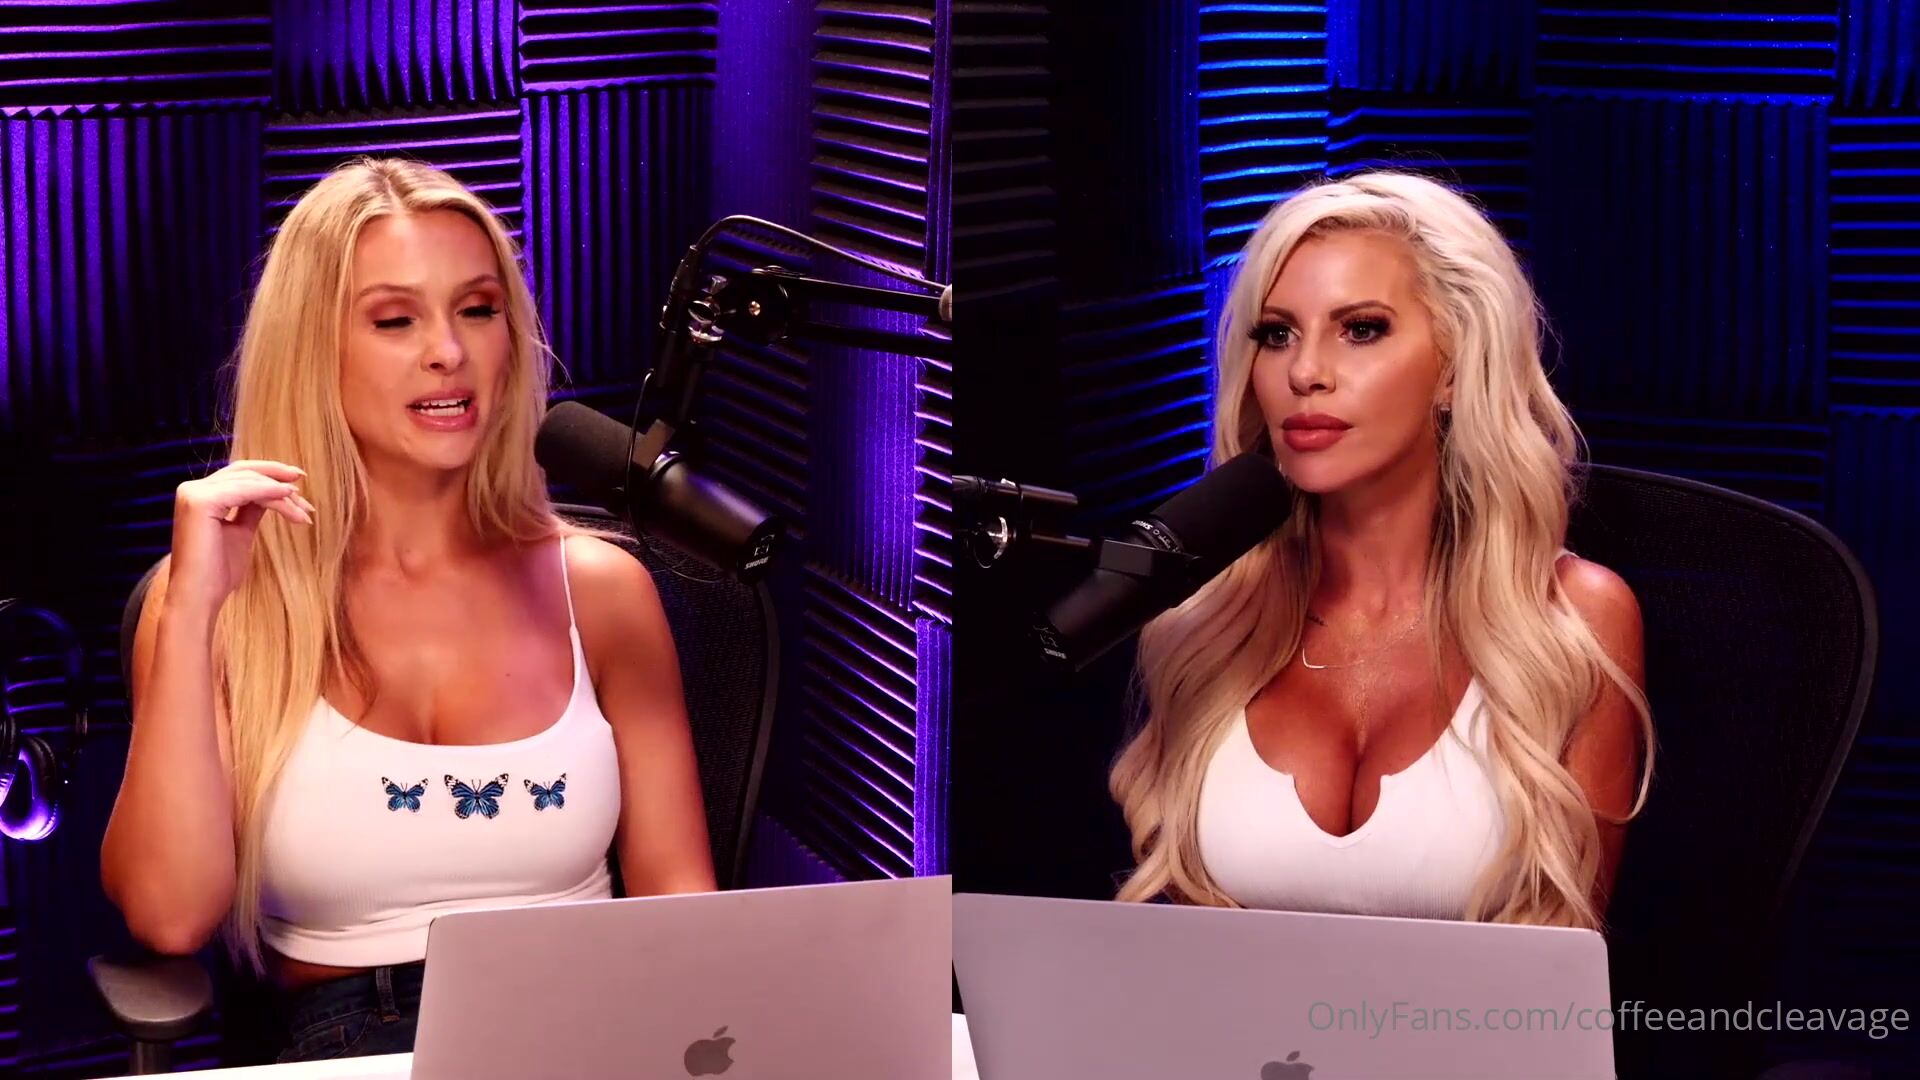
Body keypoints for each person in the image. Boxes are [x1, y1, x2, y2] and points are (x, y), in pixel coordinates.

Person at [100, 157, 715, 1062]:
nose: (449, 352)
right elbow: (169, 915)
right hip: (356, 1039)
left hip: (589, 1027)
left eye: (478, 309)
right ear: (314, 350)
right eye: (396, 320)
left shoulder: (603, 591)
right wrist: (193, 608)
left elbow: (682, 905)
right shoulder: (226, 608)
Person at [1110, 171, 1654, 931]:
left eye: (1361, 329)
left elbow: (1559, 958)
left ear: (1455, 367)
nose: (1305, 373)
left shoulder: (1571, 621)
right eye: (1277, 334)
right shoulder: (1204, 622)